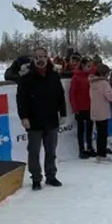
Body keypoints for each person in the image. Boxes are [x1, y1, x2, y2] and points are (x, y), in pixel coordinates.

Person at [16, 47, 67, 189]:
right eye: (37, 57)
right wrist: (24, 117)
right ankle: (36, 178)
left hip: (51, 119)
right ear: (33, 59)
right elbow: (21, 99)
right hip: (33, 121)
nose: (40, 60)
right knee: (34, 152)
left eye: (43, 56)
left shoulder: (54, 75)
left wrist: (62, 113)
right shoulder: (26, 77)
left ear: (47, 58)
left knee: (51, 151)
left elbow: (60, 95)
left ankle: (51, 176)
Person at [68, 58, 94, 158]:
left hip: (90, 107)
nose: (90, 68)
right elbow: (72, 94)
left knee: (90, 128)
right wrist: (75, 108)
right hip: (80, 108)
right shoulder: (76, 78)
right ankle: (81, 149)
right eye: (88, 66)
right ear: (82, 66)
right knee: (81, 129)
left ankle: (90, 147)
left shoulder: (90, 76)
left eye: (90, 66)